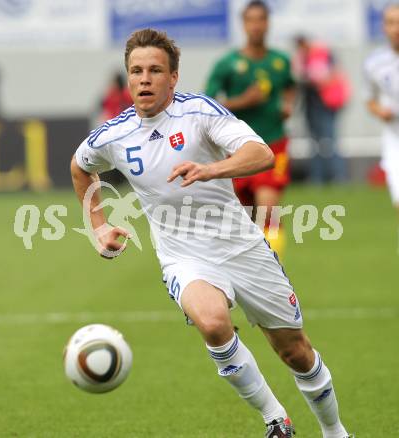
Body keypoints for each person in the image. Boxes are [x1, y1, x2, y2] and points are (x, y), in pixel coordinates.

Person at [71, 28, 352, 438]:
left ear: (173, 77)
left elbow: (260, 153)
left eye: (154, 70)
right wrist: (97, 225)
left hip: (242, 247)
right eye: (136, 71)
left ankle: (335, 432)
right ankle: (277, 421)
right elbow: (81, 166)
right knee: (213, 323)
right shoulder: (113, 134)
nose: (144, 79)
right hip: (184, 256)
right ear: (128, 77)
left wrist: (211, 168)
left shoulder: (200, 112)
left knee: (295, 351)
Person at [205, 0, 295, 256]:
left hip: (274, 143)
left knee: (268, 209)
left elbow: (290, 86)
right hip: (238, 149)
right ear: (243, 24)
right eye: (251, 20)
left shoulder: (280, 61)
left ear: (268, 23)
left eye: (261, 20)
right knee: (244, 219)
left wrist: (288, 105)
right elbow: (209, 105)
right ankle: (251, 264)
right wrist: (244, 101)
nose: (256, 26)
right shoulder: (227, 64)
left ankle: (274, 265)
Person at [364, 3, 399, 247]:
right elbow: (369, 99)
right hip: (394, 139)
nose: (396, 28)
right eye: (390, 22)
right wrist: (380, 111)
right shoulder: (375, 63)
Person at [293, 36, 349, 184]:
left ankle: (338, 177)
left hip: (326, 103)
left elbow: (329, 76)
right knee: (315, 143)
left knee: (329, 140)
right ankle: (317, 178)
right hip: (312, 104)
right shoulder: (302, 58)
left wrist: (314, 79)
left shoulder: (321, 54)